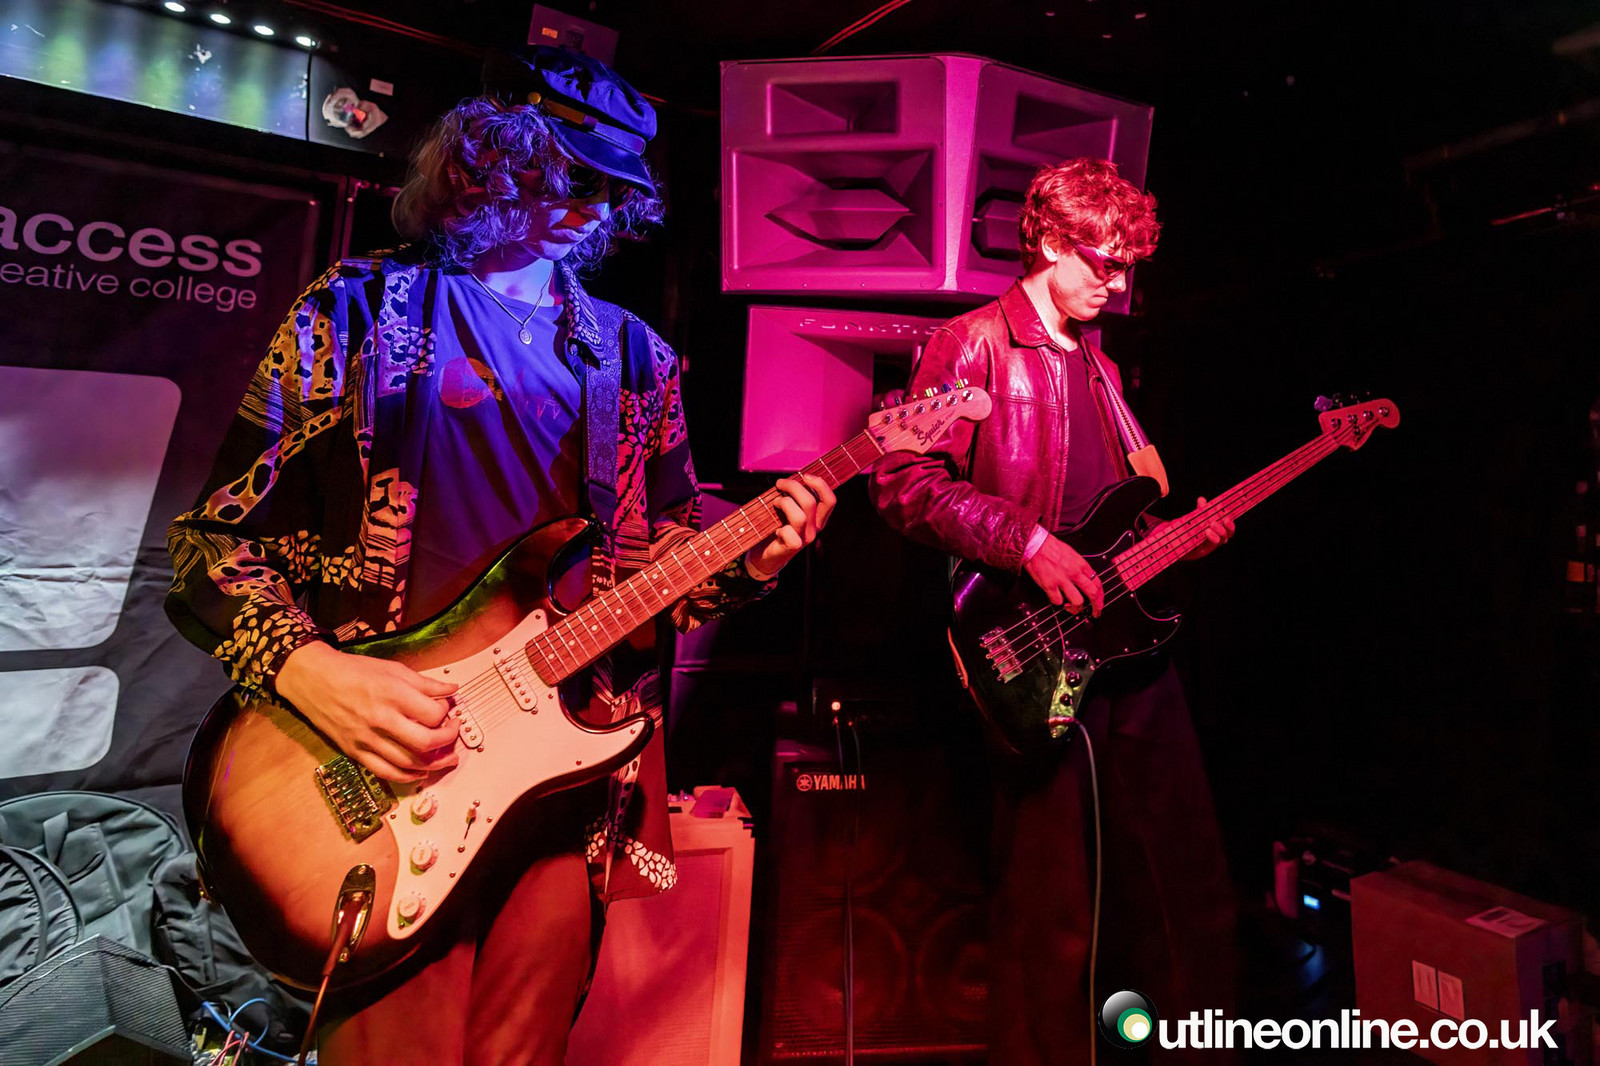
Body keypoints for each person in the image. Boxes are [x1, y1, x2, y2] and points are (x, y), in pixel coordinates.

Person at [165, 46, 834, 1065]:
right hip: (380, 765)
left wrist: (753, 559)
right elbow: (214, 541)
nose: (593, 206)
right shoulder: (357, 311)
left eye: (611, 188)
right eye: (569, 175)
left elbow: (662, 575)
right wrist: (312, 671)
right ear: (487, 162)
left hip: (560, 781)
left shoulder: (635, 358)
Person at [870, 158, 1236, 1063]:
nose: (1117, 285)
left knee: (1181, 880)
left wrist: (1176, 539)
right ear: (1045, 240)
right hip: (1038, 649)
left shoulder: (1101, 365)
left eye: (1127, 268)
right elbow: (902, 481)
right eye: (1103, 264)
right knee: (1051, 902)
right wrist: (1025, 541)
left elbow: (1116, 510)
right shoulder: (971, 343)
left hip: (1129, 647)